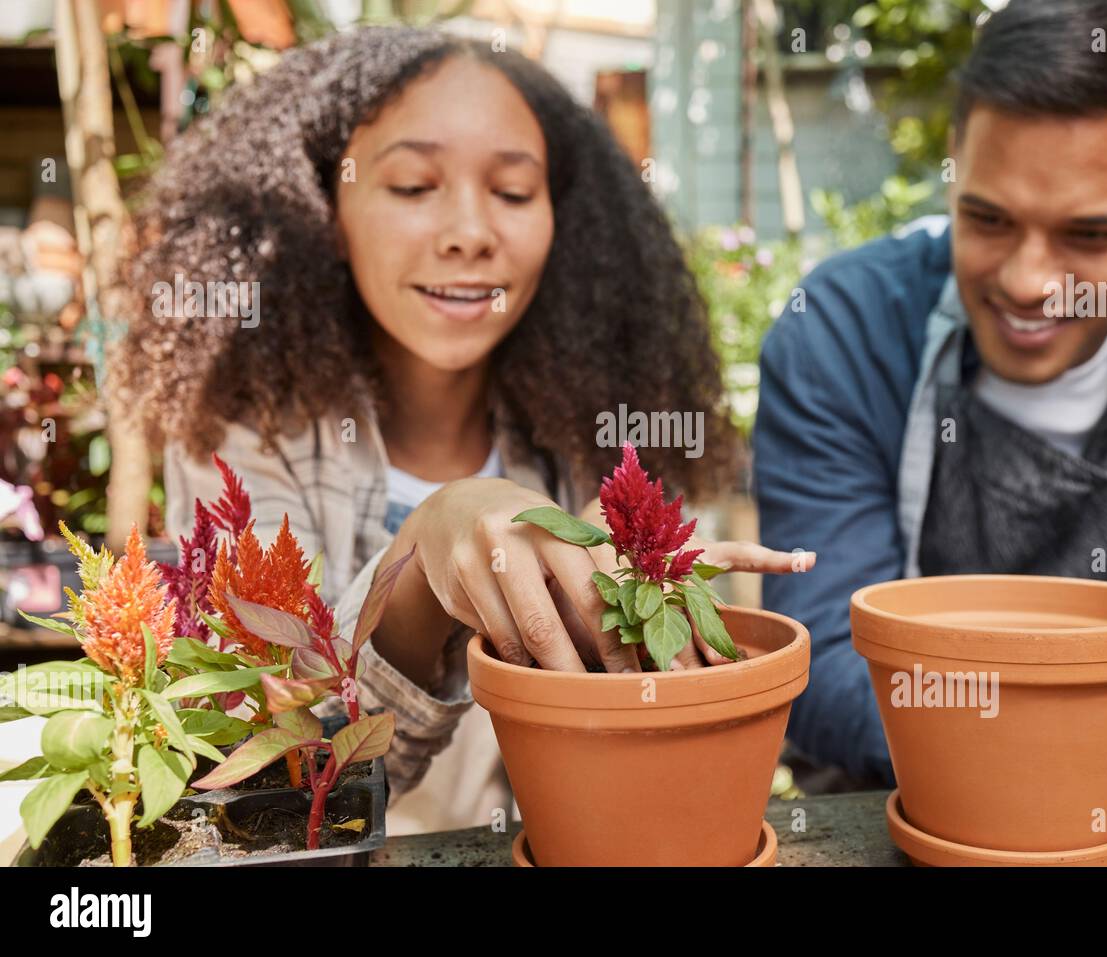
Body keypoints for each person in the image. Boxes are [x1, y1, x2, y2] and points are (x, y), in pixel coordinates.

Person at [117, 27, 809, 832]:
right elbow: (281, 792)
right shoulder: (244, 435)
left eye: (513, 193)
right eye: (413, 186)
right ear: (327, 207)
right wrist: (428, 552)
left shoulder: (609, 432)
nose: (469, 231)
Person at [754, 0, 1107, 785]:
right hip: (911, 752)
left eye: (1090, 235)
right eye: (988, 218)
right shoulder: (842, 330)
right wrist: (1085, 750)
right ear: (955, 161)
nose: (1026, 282)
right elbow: (821, 660)